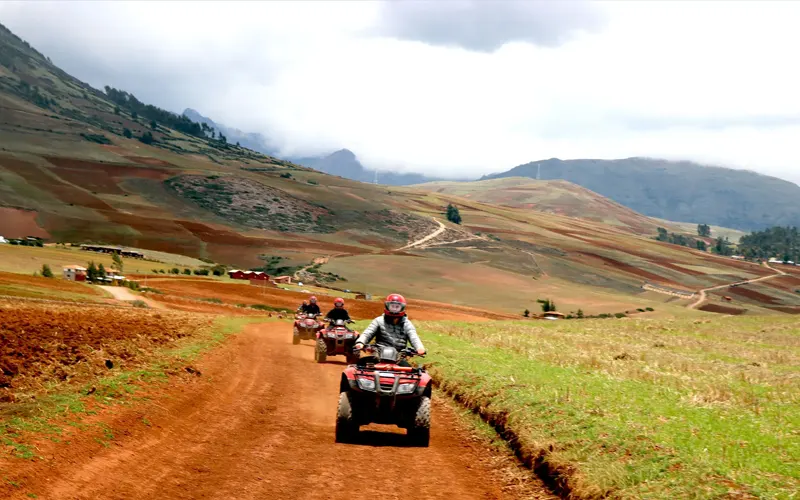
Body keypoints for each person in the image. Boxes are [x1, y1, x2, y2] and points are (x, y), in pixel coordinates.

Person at [355, 293, 425, 365]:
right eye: (392, 306)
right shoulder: (378, 320)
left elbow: (414, 337)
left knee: (409, 372)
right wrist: (360, 342)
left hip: (399, 354)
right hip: (378, 352)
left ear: (402, 308)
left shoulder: (407, 324)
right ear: (387, 306)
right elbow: (368, 333)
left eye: (397, 307)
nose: (394, 309)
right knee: (361, 365)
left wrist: (419, 348)